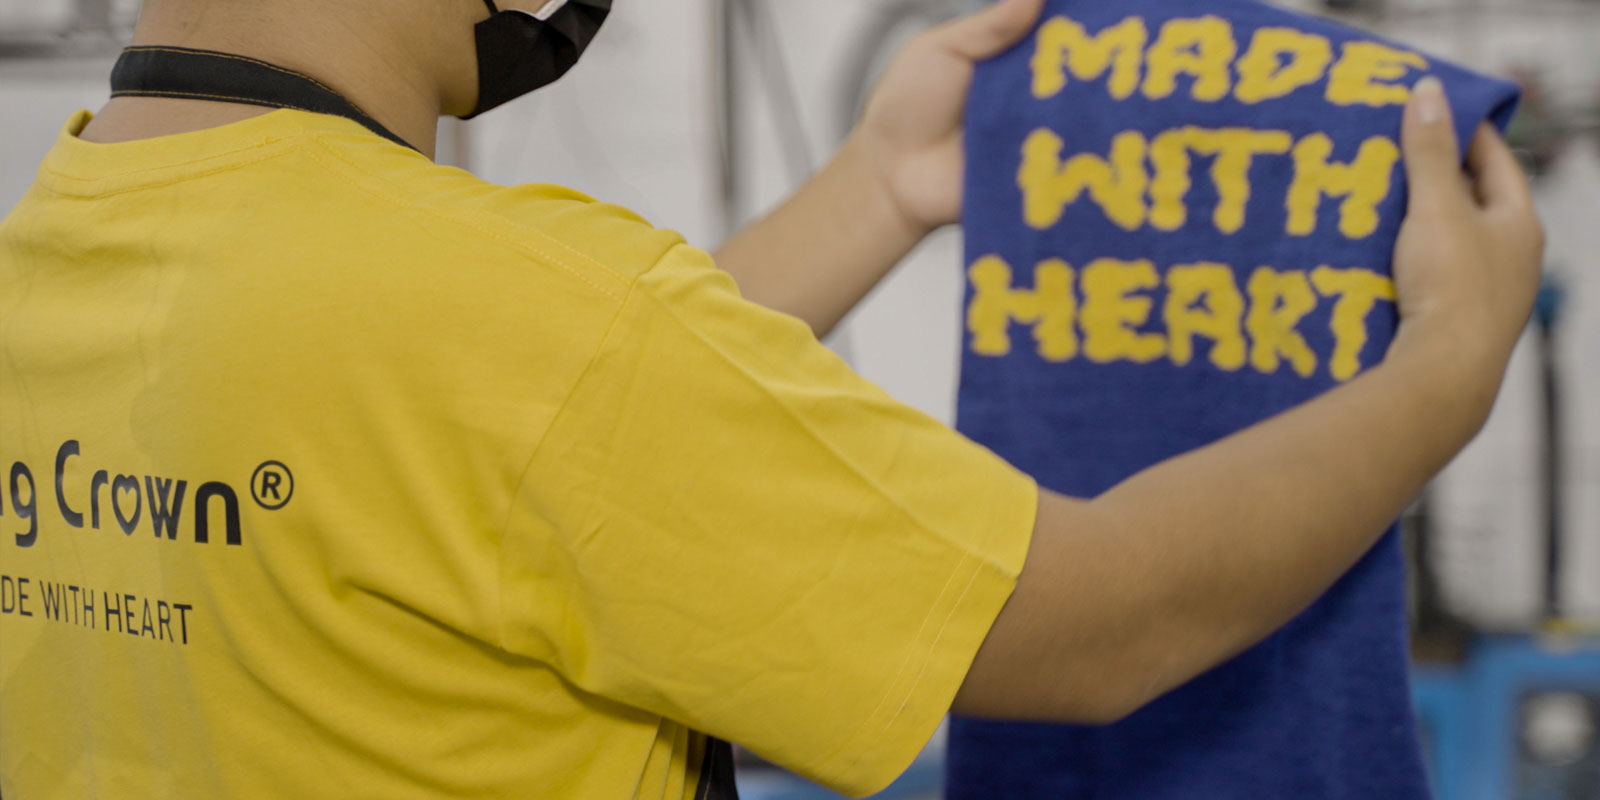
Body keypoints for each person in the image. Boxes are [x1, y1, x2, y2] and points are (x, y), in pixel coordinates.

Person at [0, 0, 1541, 798]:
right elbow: (1097, 622)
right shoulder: (523, 317)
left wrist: (880, 185)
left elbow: (538, 460)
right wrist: (1441, 376)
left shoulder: (46, 260)